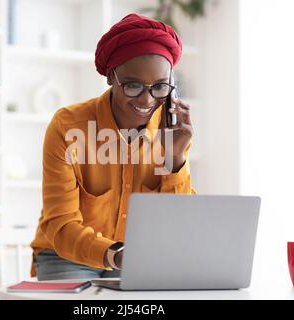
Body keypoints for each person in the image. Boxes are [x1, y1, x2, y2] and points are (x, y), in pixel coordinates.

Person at [30, 13, 196, 281]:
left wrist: (175, 156)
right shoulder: (68, 127)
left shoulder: (170, 132)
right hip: (69, 257)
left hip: (138, 259)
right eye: (132, 85)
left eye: (160, 87)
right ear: (110, 77)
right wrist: (114, 255)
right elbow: (60, 224)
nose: (147, 99)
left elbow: (177, 224)